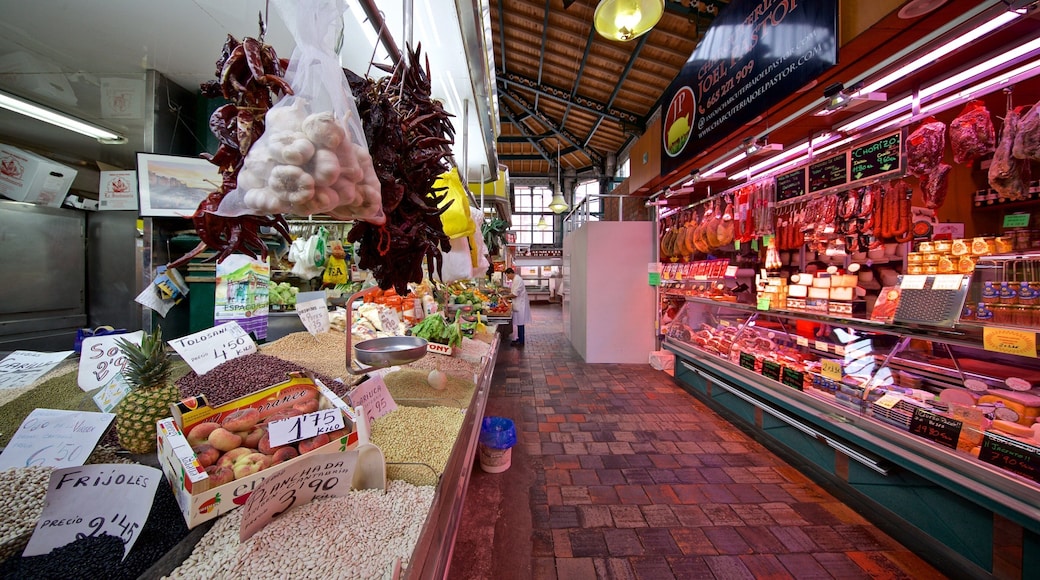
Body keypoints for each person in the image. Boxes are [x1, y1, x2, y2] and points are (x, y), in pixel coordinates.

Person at [503, 267, 531, 347]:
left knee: (520, 323)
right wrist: (505, 291)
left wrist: (506, 297)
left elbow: (515, 294)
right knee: (519, 323)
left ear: (510, 273)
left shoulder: (517, 280)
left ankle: (521, 341)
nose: (508, 277)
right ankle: (519, 339)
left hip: (520, 304)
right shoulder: (515, 279)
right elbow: (513, 290)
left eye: (507, 276)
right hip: (518, 304)